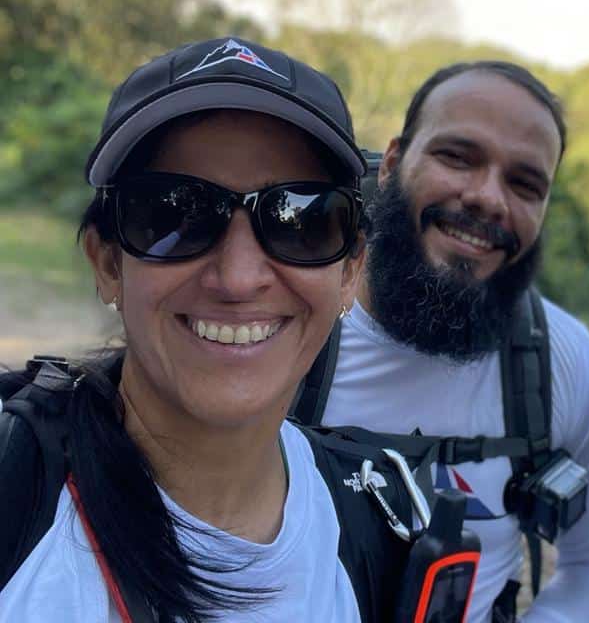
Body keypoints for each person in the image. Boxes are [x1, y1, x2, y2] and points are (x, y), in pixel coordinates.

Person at [0, 37, 407, 621]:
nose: (238, 278)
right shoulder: (17, 503)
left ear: (348, 273)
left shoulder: (374, 530)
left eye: (301, 220)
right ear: (108, 264)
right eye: (174, 214)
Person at [316, 61, 589, 622]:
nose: (488, 198)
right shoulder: (291, 326)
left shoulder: (561, 358)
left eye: (525, 184)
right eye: (457, 157)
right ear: (391, 165)